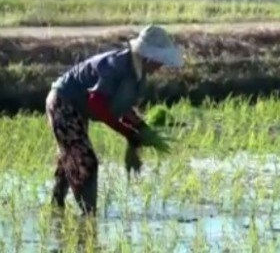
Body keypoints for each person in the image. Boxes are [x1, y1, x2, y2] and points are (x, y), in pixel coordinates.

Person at [45, 25, 183, 216]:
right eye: (160, 61)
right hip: (63, 102)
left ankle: (55, 210)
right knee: (86, 161)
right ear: (149, 56)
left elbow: (121, 106)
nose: (161, 66)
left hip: (75, 107)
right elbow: (97, 104)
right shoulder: (117, 66)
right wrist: (128, 133)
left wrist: (142, 129)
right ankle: (88, 216)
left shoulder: (137, 72)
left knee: (71, 157)